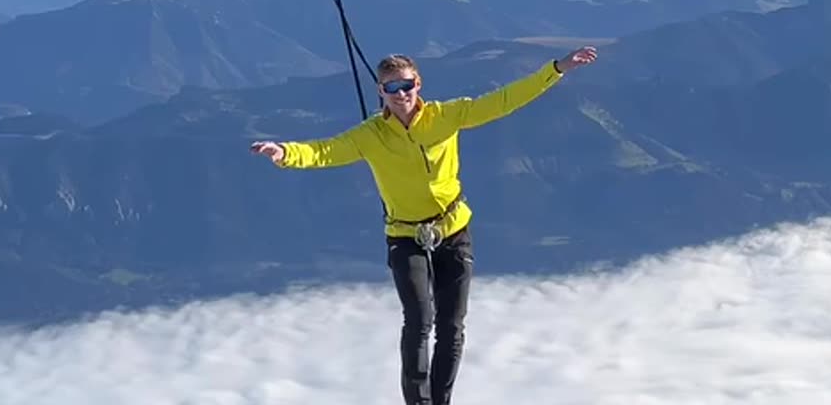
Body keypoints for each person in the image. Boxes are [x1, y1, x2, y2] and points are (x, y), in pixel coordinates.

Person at [250, 45, 599, 405]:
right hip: (405, 235)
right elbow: (326, 151)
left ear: (419, 84)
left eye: (407, 85)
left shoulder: (447, 116)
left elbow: (503, 101)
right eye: (392, 87)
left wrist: (556, 69)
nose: (401, 94)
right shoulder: (371, 135)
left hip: (452, 229)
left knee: (451, 326)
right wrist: (285, 153)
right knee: (418, 321)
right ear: (380, 92)